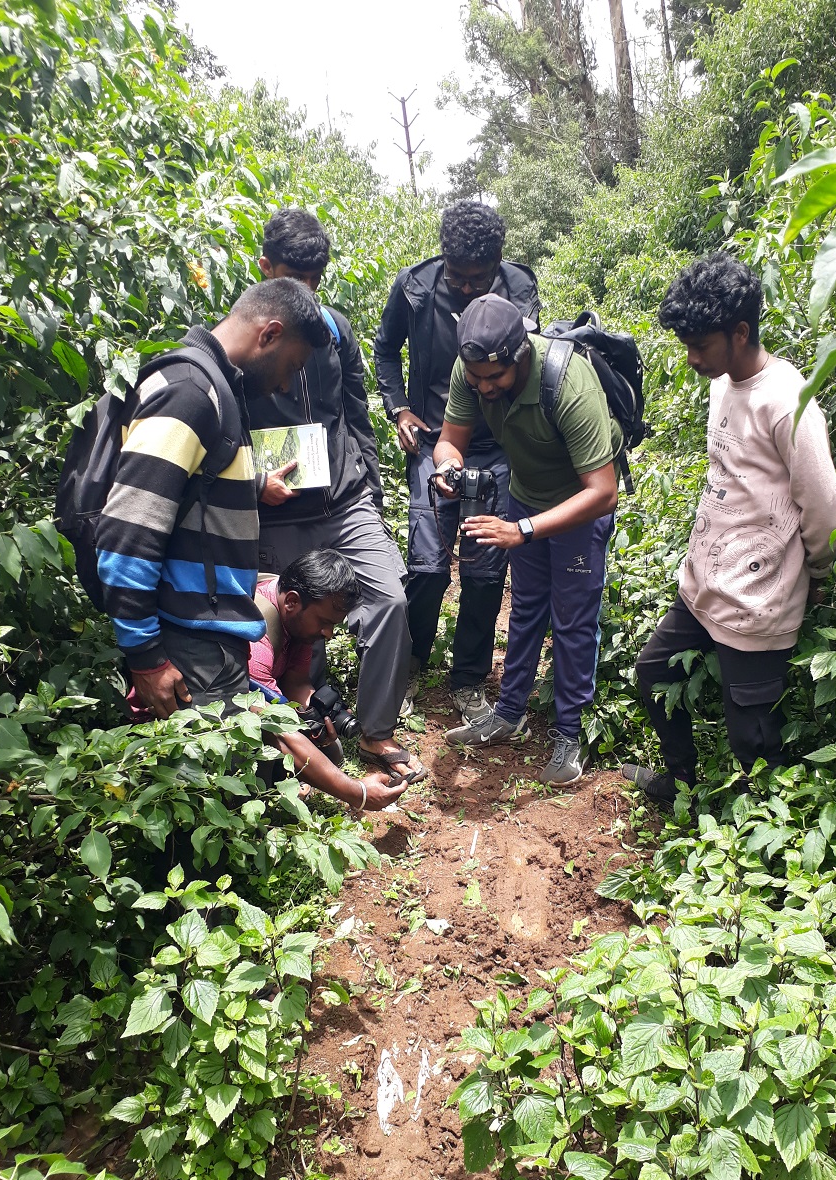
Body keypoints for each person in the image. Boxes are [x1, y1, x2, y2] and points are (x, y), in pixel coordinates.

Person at [625, 252, 836, 809]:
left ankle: (752, 838)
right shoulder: (722, 384)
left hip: (758, 600)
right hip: (704, 585)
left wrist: (819, 574)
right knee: (652, 673)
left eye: (700, 345)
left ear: (740, 332)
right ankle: (680, 784)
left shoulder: (787, 401)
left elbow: (824, 505)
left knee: (753, 737)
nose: (692, 358)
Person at [96, 278, 329, 718]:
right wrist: (145, 655)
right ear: (270, 334)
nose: (284, 386)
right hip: (188, 642)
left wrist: (254, 485)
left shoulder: (215, 389)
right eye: (291, 366)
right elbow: (128, 529)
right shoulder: (190, 391)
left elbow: (186, 481)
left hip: (206, 637)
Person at [249, 208, 423, 784]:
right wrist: (255, 484)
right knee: (301, 624)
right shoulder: (247, 339)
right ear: (264, 267)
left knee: (391, 601)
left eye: (313, 283)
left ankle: (376, 731)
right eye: (290, 280)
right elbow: (219, 430)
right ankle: (308, 740)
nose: (304, 295)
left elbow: (355, 409)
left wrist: (368, 481)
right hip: (278, 513)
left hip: (345, 501)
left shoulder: (335, 330)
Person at [435, 294, 619, 786]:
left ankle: (569, 734)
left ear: (520, 355)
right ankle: (509, 712)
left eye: (493, 378)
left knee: (573, 620)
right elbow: (451, 437)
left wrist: (523, 530)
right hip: (525, 495)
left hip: (577, 507)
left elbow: (603, 492)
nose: (483, 387)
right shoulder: (471, 372)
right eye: (476, 379)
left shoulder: (568, 382)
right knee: (527, 608)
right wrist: (447, 467)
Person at [373, 200, 540, 724]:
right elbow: (384, 349)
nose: (467, 288)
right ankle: (411, 662)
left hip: (501, 448)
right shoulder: (415, 287)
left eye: (478, 279)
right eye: (458, 277)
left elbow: (530, 356)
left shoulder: (519, 288)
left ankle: (468, 677)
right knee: (426, 564)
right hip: (434, 440)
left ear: (497, 265)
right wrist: (398, 407)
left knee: (487, 568)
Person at [250, 550, 406, 812]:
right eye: (324, 623)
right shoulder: (257, 637)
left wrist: (316, 712)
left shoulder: (296, 617)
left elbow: (297, 681)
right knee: (270, 769)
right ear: (291, 601)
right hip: (224, 716)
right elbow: (277, 730)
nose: (328, 633)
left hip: (264, 700)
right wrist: (359, 794)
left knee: (331, 751)